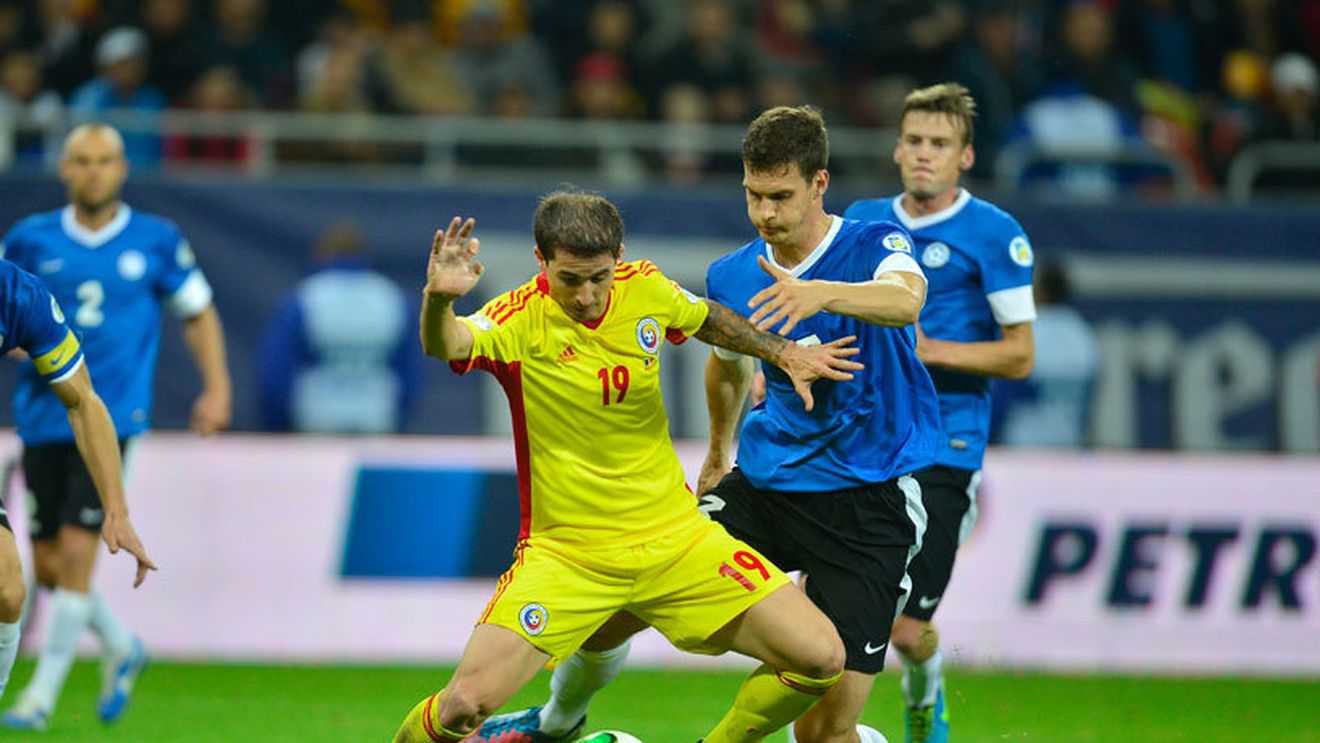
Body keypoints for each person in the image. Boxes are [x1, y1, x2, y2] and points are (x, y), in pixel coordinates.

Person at [472, 105, 942, 743]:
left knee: (823, 733)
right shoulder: (733, 274)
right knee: (612, 610)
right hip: (769, 487)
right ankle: (555, 723)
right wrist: (720, 451)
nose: (765, 213)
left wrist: (818, 292)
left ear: (819, 184)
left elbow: (907, 299)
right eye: (754, 195)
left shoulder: (873, 243)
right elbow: (726, 364)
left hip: (870, 502)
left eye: (781, 196)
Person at [393, 191, 869, 743]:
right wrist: (438, 302)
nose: (587, 295)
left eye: (599, 277)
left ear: (618, 257)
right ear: (541, 260)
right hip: (569, 555)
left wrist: (780, 352)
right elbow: (448, 344)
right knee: (462, 706)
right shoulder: (517, 319)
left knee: (820, 656)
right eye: (570, 279)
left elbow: (707, 318)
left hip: (678, 541)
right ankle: (552, 719)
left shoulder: (644, 286)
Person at [0, 123, 232, 730]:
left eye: (104, 160)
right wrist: (31, 343)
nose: (94, 171)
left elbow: (198, 311)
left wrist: (217, 387)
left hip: (111, 412)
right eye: (82, 160)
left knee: (78, 549)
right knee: (49, 564)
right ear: (65, 169)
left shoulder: (157, 239)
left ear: (123, 168)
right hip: (40, 415)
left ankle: (40, 696)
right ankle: (123, 646)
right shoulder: (28, 240)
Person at [845, 82, 1037, 743]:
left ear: (966, 156)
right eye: (915, 141)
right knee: (827, 608)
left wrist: (932, 351)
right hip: (863, 440)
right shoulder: (863, 220)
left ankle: (925, 695)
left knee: (906, 629)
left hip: (946, 445)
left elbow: (1020, 354)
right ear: (897, 149)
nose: (925, 154)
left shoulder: (995, 234)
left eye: (940, 143)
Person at [0, 259, 156, 706]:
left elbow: (83, 401)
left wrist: (117, 510)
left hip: (57, 433)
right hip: (39, 434)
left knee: (8, 590)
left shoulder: (17, 295)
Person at [257, 220, 422, 434]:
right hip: (376, 420)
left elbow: (277, 372)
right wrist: (399, 416)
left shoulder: (304, 299)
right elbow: (410, 372)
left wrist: (278, 424)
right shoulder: (394, 299)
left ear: (323, 256)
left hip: (315, 422)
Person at [992, 258, 1096, 448]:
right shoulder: (1081, 335)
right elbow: (1089, 400)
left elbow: (1003, 395)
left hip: (1024, 444)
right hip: (1068, 443)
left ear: (1041, 290)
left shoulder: (1027, 332)